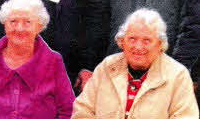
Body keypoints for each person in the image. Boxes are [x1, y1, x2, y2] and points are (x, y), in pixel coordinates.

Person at [71, 8, 199, 118]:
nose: (138, 47)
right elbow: (83, 112)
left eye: (147, 40)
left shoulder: (177, 75)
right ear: (122, 41)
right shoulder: (107, 67)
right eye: (132, 39)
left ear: (160, 44)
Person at [0, 0, 75, 119]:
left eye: (27, 22)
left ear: (39, 27)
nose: (19, 28)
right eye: (13, 21)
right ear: (4, 24)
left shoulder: (53, 61)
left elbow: (68, 111)